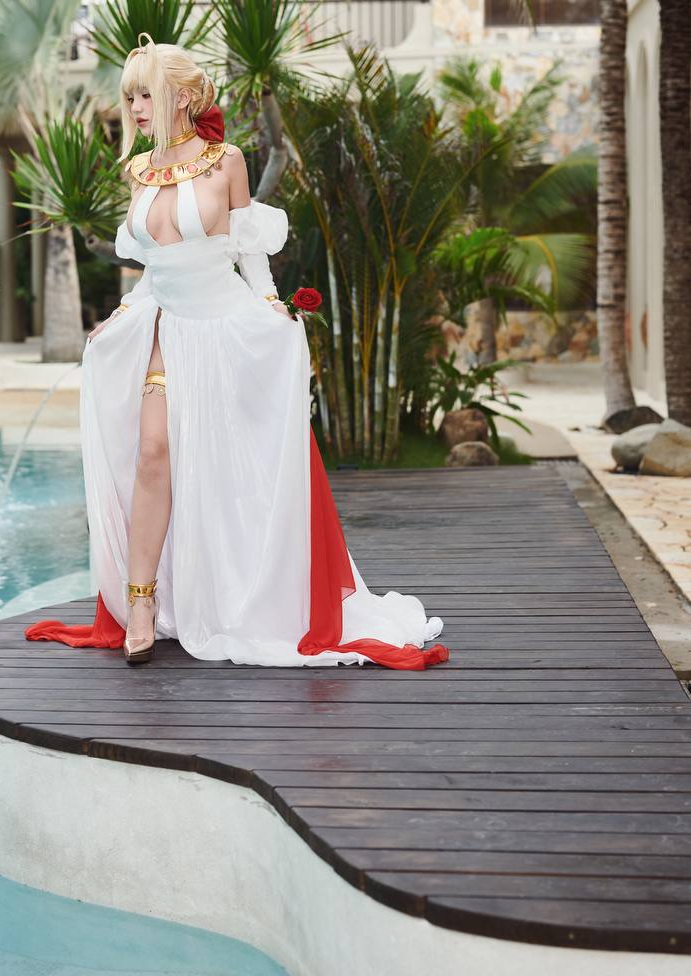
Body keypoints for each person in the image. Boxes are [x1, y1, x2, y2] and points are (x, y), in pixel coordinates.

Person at [25, 34, 449, 670]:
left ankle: (235, 599)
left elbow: (249, 251)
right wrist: (119, 316)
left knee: (227, 471)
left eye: (146, 95)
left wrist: (273, 309)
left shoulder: (226, 162)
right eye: (130, 97)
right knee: (151, 455)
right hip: (162, 326)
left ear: (184, 96)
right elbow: (152, 269)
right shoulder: (137, 170)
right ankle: (141, 603)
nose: (135, 108)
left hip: (224, 328)